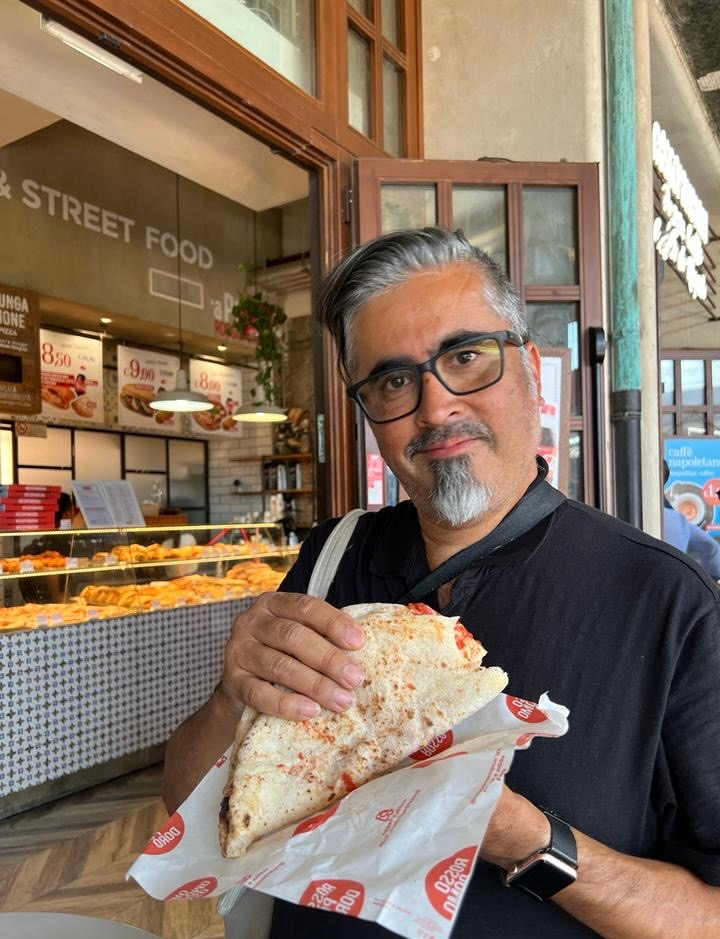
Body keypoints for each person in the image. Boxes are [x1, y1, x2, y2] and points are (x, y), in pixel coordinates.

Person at [163, 228, 720, 938]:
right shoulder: (333, 558)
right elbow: (186, 805)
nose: (435, 407)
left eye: (466, 357)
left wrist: (526, 838)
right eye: (394, 380)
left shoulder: (666, 602)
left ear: (531, 368)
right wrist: (228, 694)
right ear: (370, 414)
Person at [662, 460, 720, 580]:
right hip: (675, 582)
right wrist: (709, 581)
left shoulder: (626, 513)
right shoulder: (678, 520)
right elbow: (712, 548)